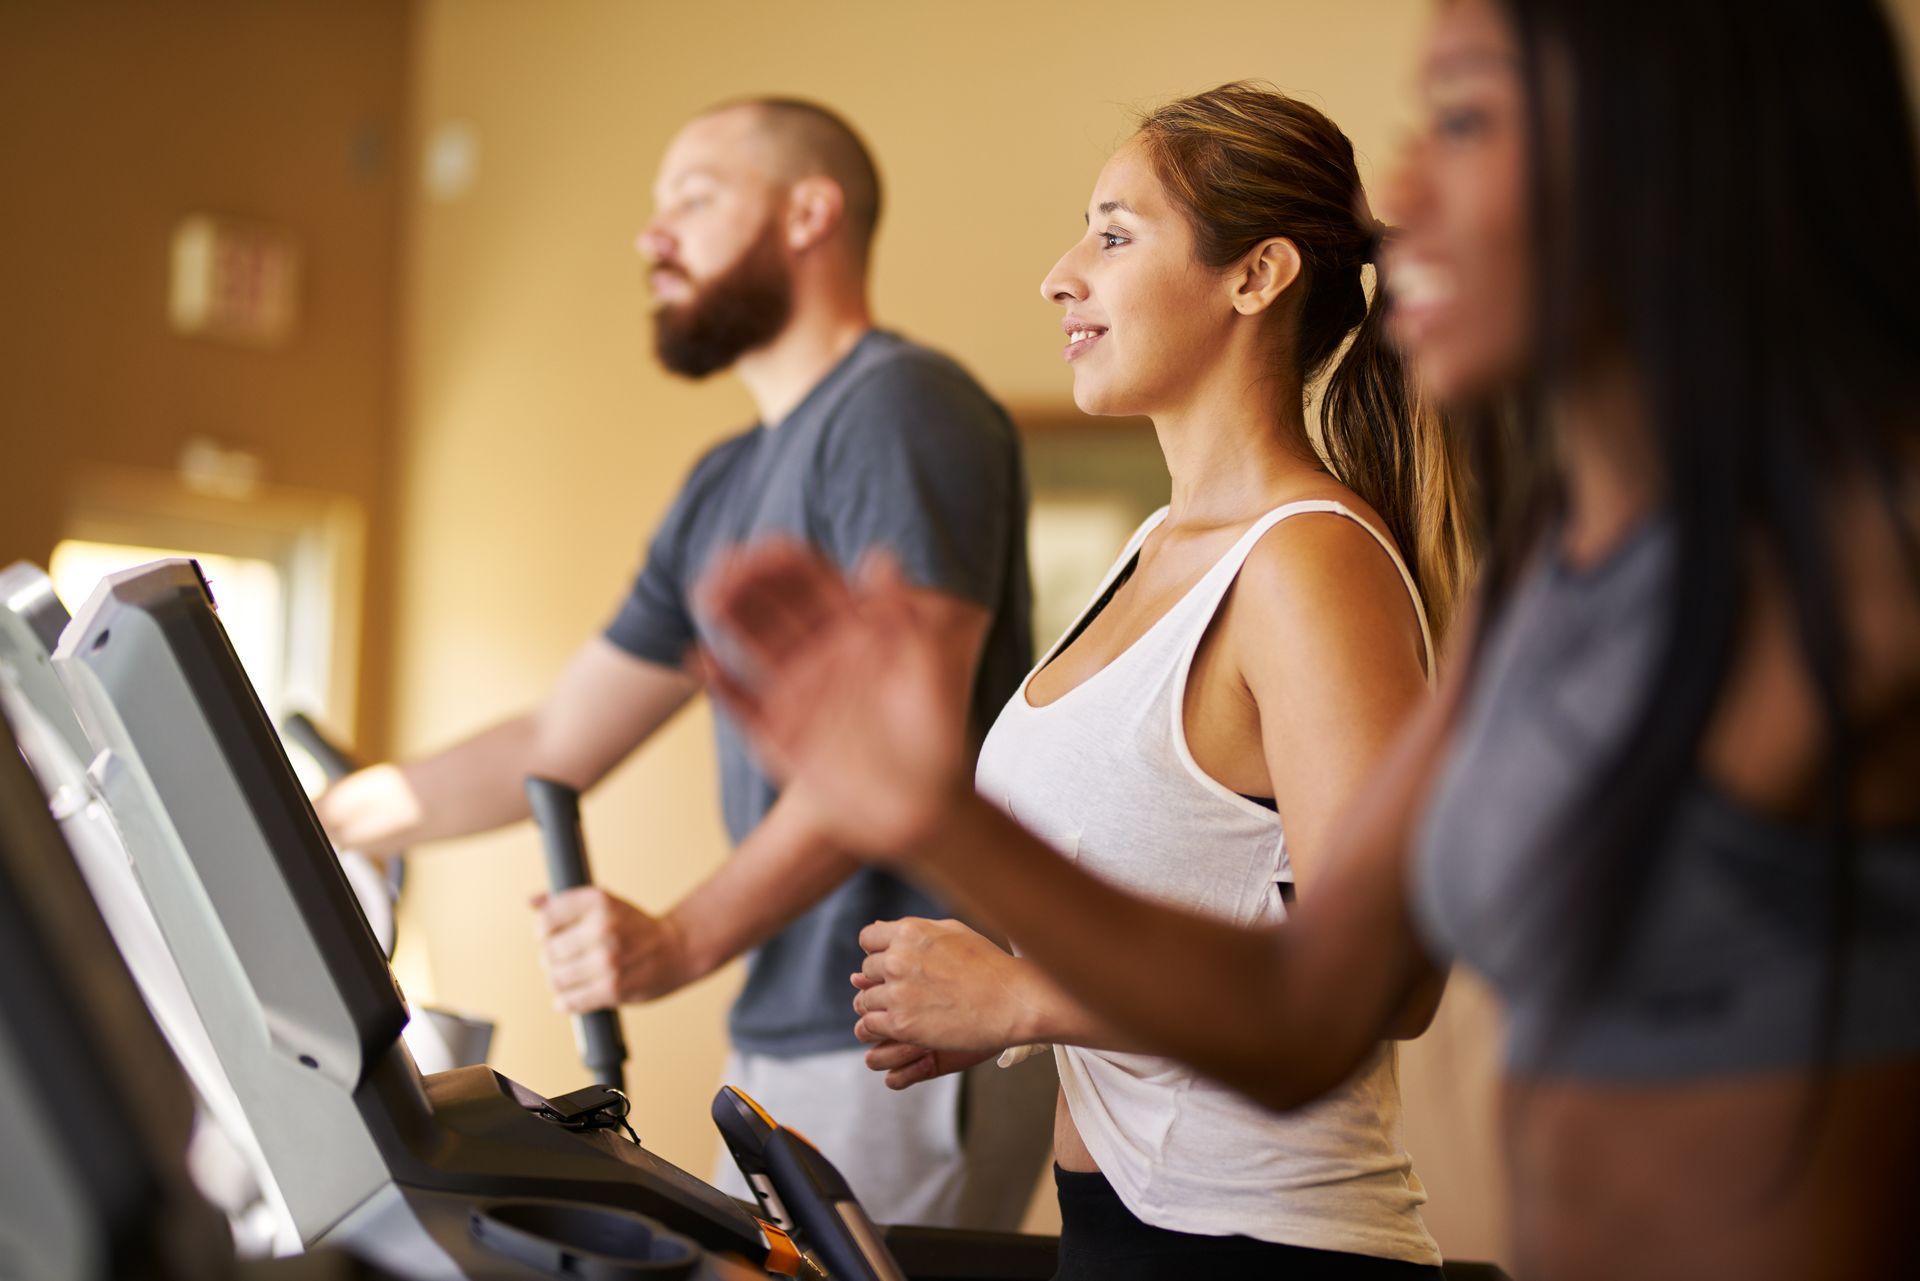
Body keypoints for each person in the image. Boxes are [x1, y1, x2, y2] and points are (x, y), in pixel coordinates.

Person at [693, 1, 1920, 1277]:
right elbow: (1313, 1004)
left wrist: (1011, 981)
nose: (1400, 194)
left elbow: (1385, 1001)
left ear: (1669, 154)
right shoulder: (1557, 577)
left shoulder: (1870, 577)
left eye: (1464, 119)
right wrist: (926, 809)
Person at [741, 81, 1469, 1279]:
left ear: (1257, 275)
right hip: (1113, 1234)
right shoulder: (1153, 547)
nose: (1061, 274)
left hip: (1265, 1243)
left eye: (1115, 236)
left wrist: (1024, 1000)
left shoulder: (1308, 562)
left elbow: (1385, 979)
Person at [315, 97, 1053, 1229]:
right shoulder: (724, 482)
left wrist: (678, 939)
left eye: (694, 200)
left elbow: (893, 753)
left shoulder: (903, 410)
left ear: (811, 213)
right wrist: (321, 821)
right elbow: (554, 739)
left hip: (909, 1026)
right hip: (787, 1032)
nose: (651, 237)